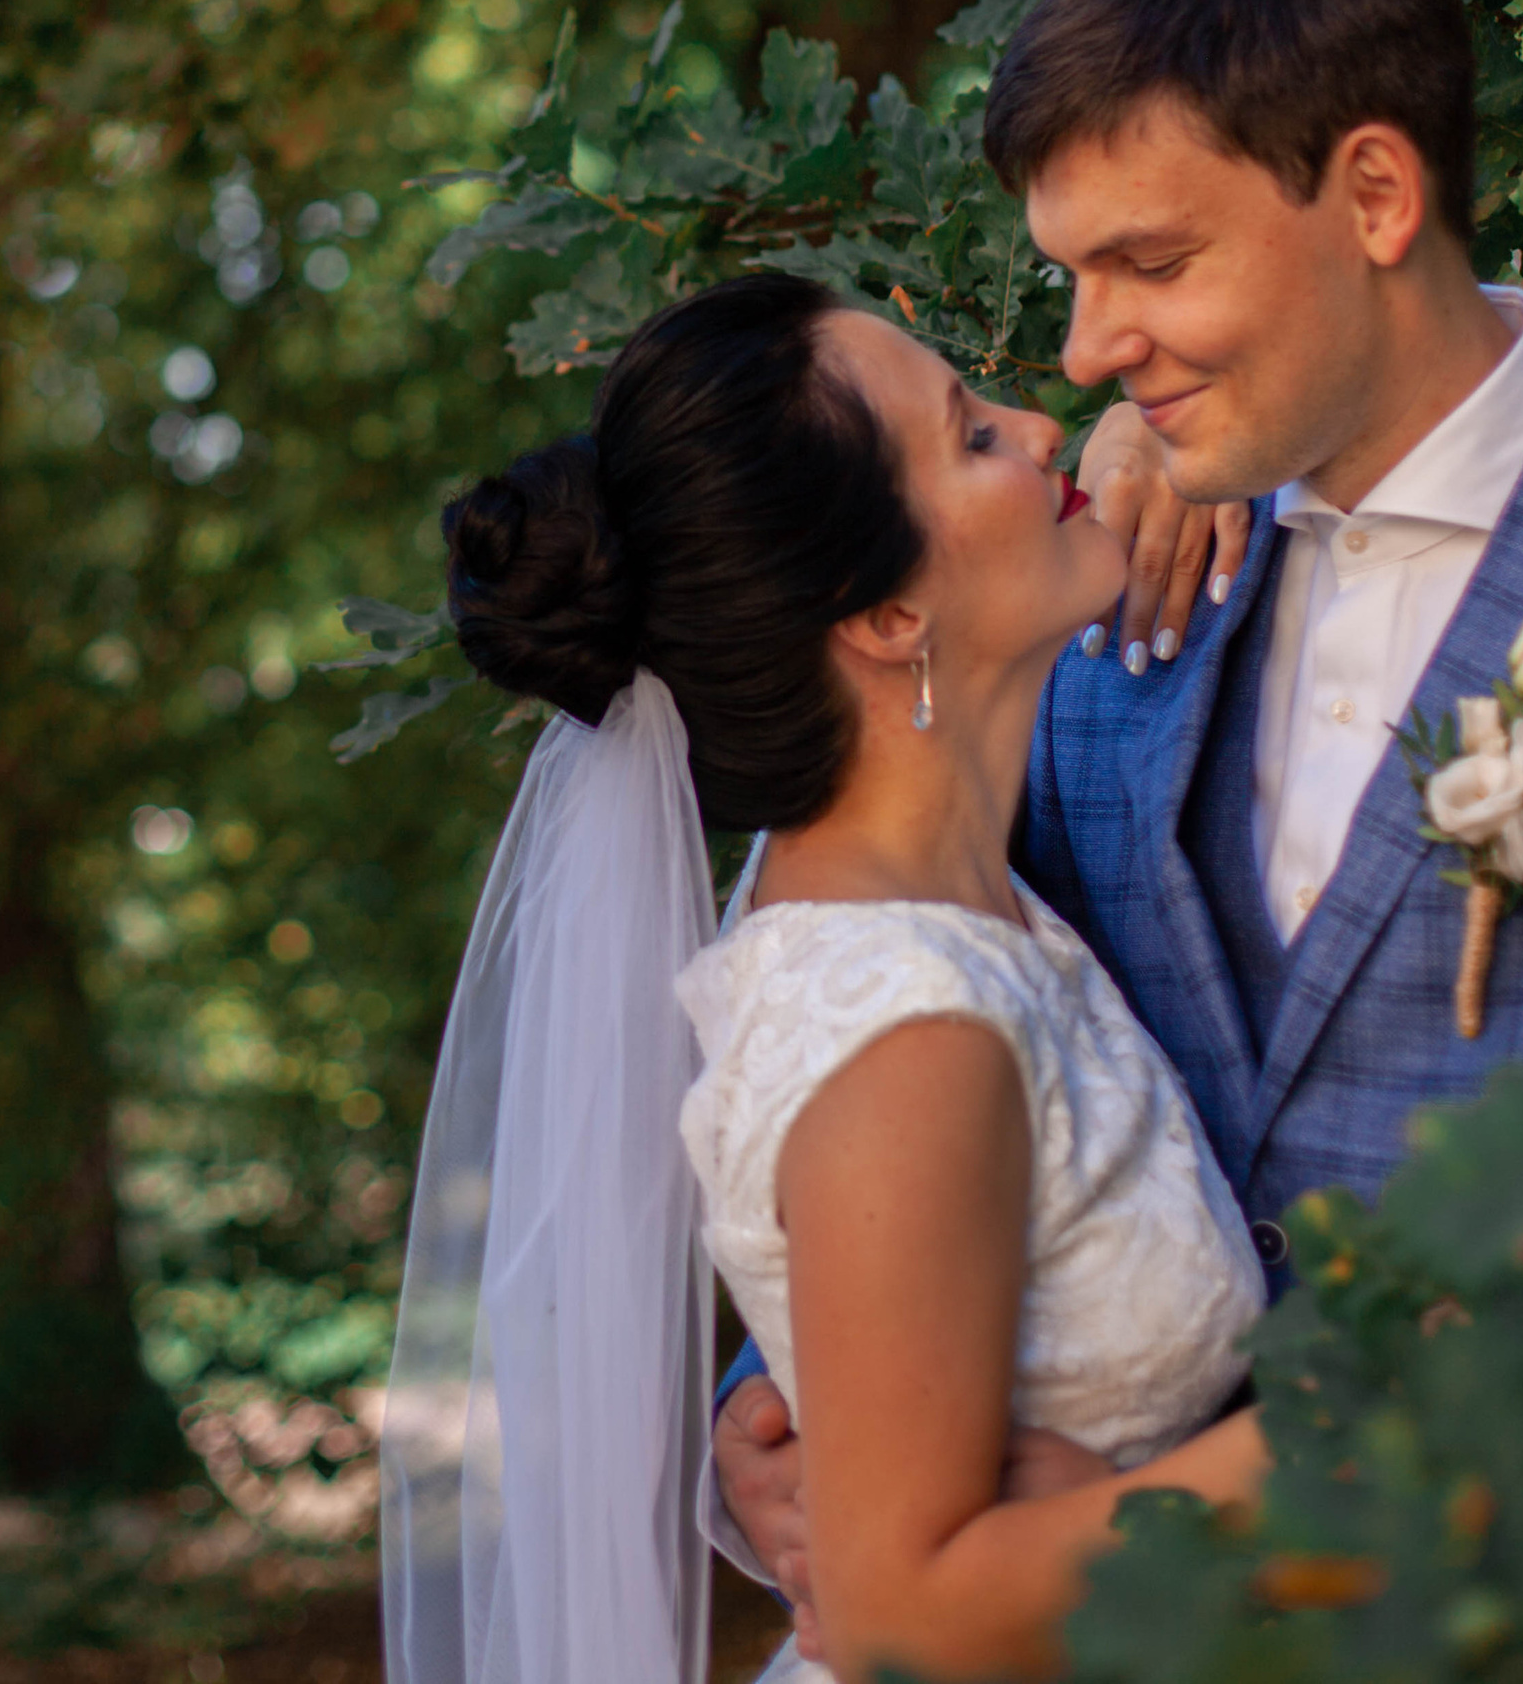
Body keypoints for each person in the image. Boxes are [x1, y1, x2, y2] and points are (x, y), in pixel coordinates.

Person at [713, 0, 1523, 1638]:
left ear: (1374, 194)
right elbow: (954, 1016)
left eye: (1153, 262)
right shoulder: (1091, 601)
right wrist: (780, 1411)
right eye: (1073, 276)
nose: (1084, 352)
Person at [382, 269, 1271, 1684]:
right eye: (974, 435)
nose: (1049, 428)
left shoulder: (961, 916)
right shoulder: (901, 1023)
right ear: (884, 619)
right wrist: (1357, 1422)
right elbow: (901, 1614)